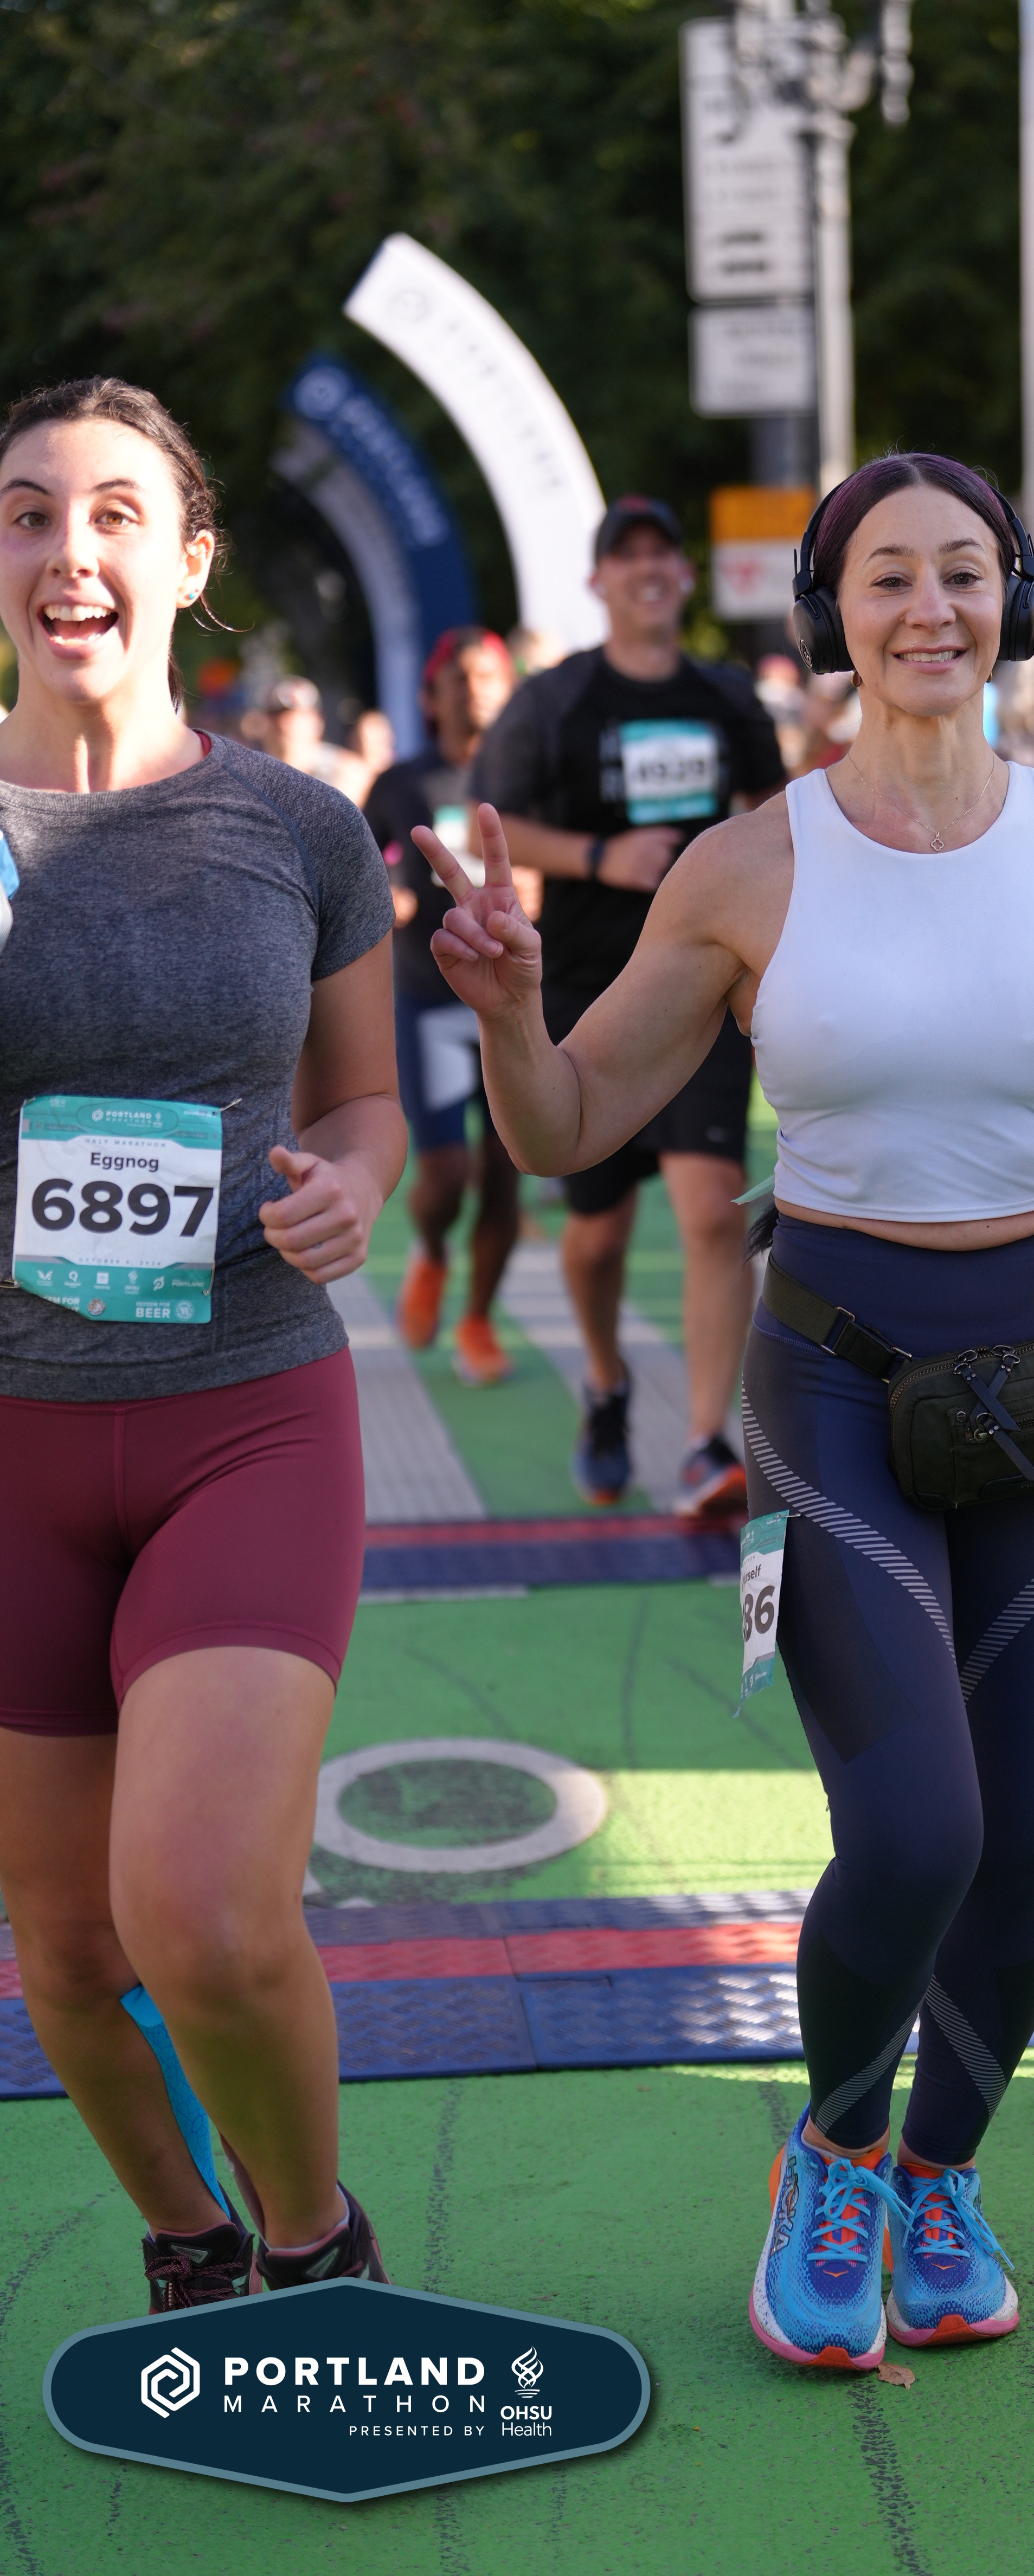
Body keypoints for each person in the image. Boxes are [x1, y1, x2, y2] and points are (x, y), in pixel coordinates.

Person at [416, 449, 1034, 2369]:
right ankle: (829, 2156)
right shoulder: (749, 866)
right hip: (831, 1385)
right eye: (885, 575)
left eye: (963, 571)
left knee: (1025, 1840)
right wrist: (502, 1010)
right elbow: (563, 1125)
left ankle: (941, 2176)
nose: (928, 609)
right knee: (912, 1831)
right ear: (833, 614)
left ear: (1010, 601)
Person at [0, 376, 404, 2307]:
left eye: (110, 514)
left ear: (187, 558)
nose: (65, 551)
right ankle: (191, 2239)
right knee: (71, 1952)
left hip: (246, 1420)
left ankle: (317, 2248)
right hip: (14, 1445)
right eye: (26, 513)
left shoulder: (297, 827)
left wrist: (355, 1184)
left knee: (204, 1916)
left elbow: (367, 1105)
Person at [469, 495, 786, 1517]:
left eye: (664, 554)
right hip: (588, 986)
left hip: (705, 987)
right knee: (599, 1235)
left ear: (685, 578)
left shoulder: (726, 697)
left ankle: (705, 1442)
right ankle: (606, 1387)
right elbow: (495, 820)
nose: (648, 570)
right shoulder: (556, 700)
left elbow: (772, 820)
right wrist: (602, 855)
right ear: (597, 582)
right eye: (627, 556)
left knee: (711, 1210)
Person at [367, 626, 521, 1384]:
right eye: (460, 678)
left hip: (515, 1004)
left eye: (488, 675)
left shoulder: (526, 777)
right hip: (430, 998)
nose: (475, 690)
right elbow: (357, 872)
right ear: (431, 696)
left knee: (506, 1172)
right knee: (449, 1173)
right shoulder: (401, 784)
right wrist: (385, 898)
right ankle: (430, 1251)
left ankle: (478, 1320)